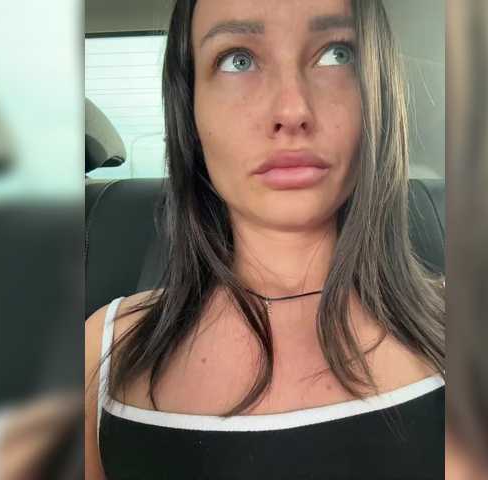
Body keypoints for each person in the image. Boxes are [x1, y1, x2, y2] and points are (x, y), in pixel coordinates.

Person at [85, 1, 445, 478]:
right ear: (190, 110)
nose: (292, 110)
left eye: (337, 54)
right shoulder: (103, 353)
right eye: (238, 60)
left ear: (378, 93)